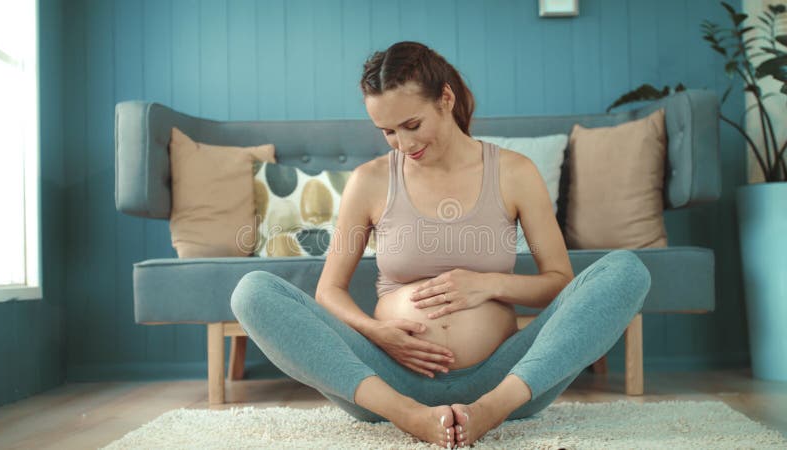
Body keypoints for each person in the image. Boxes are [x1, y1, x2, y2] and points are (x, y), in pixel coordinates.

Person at [231, 41, 651, 448]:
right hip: (389, 378)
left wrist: (489, 285)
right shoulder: (370, 181)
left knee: (626, 271)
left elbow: (559, 282)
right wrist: (378, 334)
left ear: (445, 98)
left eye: (412, 125)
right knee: (252, 292)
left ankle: (488, 411)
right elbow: (329, 291)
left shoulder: (513, 173)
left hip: (505, 376)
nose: (404, 144)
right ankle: (409, 416)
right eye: (388, 132)